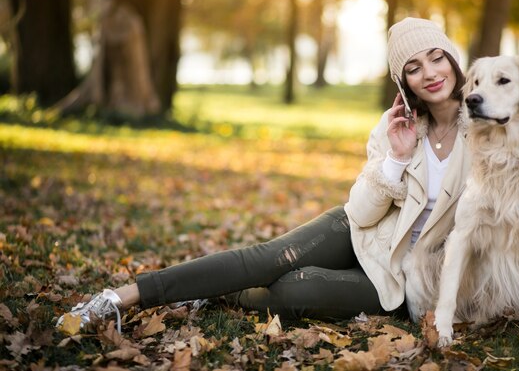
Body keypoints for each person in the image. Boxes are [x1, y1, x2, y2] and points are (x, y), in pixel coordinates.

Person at [56, 18, 469, 333]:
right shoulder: (396, 125)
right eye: (414, 68)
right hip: (361, 231)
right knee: (266, 258)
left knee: (292, 290)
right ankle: (120, 298)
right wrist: (396, 158)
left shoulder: (488, 135)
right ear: (405, 82)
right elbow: (361, 215)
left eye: (436, 57)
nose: (430, 73)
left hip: (406, 278)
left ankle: (216, 290)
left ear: (452, 59)